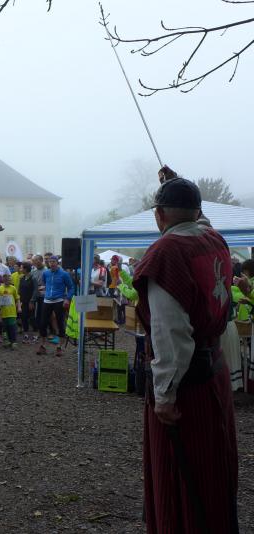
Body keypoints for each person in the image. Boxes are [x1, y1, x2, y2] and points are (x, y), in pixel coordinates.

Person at [132, 175, 238, 533]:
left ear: (159, 215)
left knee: (185, 476)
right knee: (214, 467)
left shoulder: (166, 254)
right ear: (197, 210)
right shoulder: (214, 239)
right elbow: (198, 222)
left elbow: (170, 333)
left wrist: (164, 395)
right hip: (214, 375)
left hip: (187, 387)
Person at [35, 256, 74, 357]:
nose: (51, 263)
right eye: (50, 262)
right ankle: (43, 346)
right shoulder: (46, 273)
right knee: (43, 323)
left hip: (59, 300)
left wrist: (67, 299)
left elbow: (71, 287)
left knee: (60, 323)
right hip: (47, 300)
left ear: (57, 263)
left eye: (53, 261)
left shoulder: (64, 274)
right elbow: (45, 283)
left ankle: (59, 347)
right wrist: (44, 290)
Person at [0, 273, 21, 349]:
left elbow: (17, 298)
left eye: (9, 279)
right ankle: (7, 341)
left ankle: (13, 342)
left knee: (12, 327)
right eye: (6, 279)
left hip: (12, 312)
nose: (8, 281)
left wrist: (19, 307)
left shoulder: (13, 288)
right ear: (3, 280)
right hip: (3, 312)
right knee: (5, 327)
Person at [17, 262, 38, 343]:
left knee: (32, 318)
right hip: (23, 302)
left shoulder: (33, 278)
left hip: (30, 302)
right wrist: (18, 301)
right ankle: (26, 334)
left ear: (25, 269)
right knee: (24, 317)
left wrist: (32, 301)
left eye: (21, 268)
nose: (20, 269)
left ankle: (35, 334)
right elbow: (19, 290)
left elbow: (35, 290)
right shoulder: (22, 278)